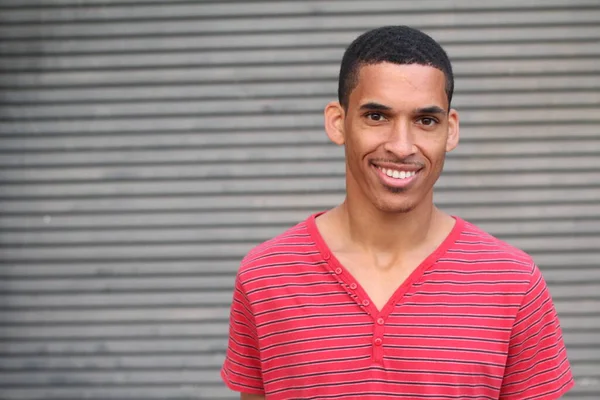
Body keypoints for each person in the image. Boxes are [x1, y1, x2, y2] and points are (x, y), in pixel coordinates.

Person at [221, 26, 574, 400]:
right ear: (338, 123)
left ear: (450, 131)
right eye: (377, 116)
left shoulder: (514, 283)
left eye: (425, 121)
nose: (402, 146)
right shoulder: (266, 275)